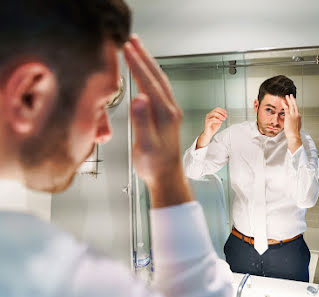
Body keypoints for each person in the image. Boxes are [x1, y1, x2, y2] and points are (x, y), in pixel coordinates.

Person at [0, 1, 232, 296]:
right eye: (99, 106)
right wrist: (167, 176)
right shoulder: (46, 267)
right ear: (28, 94)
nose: (105, 133)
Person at [183, 75, 319, 282]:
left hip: (288, 254)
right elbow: (192, 171)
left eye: (283, 114)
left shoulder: (303, 142)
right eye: (269, 110)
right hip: (241, 248)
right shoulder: (233, 136)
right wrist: (206, 135)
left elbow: (306, 199)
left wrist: (293, 139)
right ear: (256, 105)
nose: (275, 121)